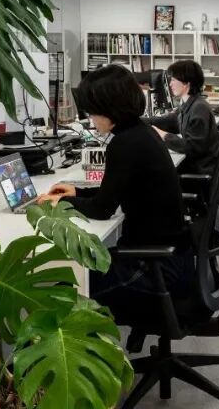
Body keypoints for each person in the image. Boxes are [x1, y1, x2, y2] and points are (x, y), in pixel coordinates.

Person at [38, 65, 192, 306]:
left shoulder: (125, 143)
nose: (90, 118)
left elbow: (102, 209)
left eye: (92, 111)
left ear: (108, 108)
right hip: (172, 258)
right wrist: (77, 191)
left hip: (153, 268)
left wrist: (62, 201)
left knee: (62, 292)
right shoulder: (142, 132)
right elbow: (120, 189)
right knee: (76, 274)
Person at [150, 60, 219, 176]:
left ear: (186, 83)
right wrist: (140, 120)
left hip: (199, 172)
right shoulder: (190, 103)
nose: (170, 84)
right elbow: (171, 121)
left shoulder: (199, 108)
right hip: (196, 165)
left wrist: (163, 135)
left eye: (173, 80)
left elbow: (191, 147)